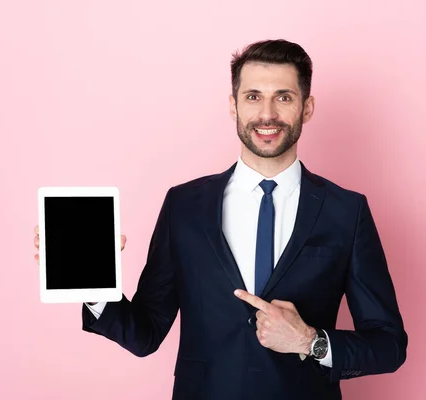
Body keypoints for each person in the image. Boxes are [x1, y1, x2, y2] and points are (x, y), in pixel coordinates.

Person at [33, 39, 407, 400]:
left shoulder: (346, 210)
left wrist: (310, 341)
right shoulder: (184, 206)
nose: (267, 114)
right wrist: (92, 281)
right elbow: (144, 334)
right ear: (234, 105)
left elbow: (389, 344)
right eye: (253, 96)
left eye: (284, 97)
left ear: (307, 108)